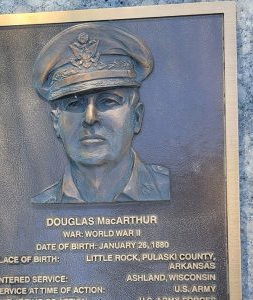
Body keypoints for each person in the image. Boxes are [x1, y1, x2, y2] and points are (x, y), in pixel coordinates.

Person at [32, 23, 170, 203]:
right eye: (74, 103)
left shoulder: (182, 191)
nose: (90, 118)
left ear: (136, 117)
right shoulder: (38, 208)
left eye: (108, 101)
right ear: (56, 123)